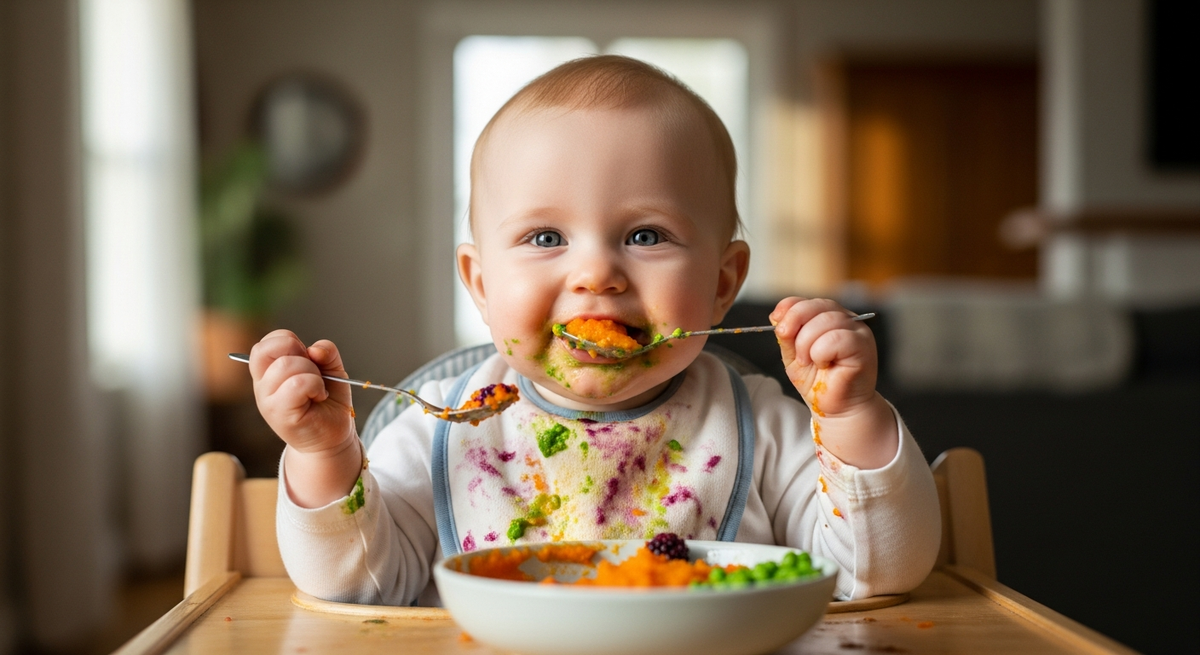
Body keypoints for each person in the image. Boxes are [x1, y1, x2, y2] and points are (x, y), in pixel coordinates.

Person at [249, 55, 940, 606]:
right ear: (481, 284)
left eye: (646, 235)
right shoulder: (440, 429)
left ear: (722, 283)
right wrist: (324, 454)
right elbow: (357, 586)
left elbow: (877, 574)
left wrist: (850, 418)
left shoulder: (759, 427)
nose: (596, 274)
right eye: (546, 236)